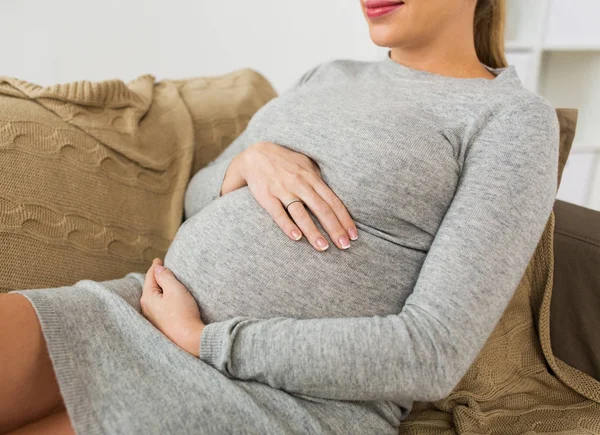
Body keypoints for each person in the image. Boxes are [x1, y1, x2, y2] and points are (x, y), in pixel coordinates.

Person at [0, 0, 560, 433]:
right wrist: (248, 162)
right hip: (139, 311)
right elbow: (198, 198)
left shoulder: (511, 119)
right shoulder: (327, 76)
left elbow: (431, 353)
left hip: (278, 397)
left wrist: (205, 341)